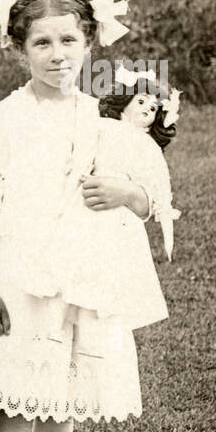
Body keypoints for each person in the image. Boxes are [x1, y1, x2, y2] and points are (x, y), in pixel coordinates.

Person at [0, 0, 155, 432]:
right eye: (41, 43)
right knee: (19, 388)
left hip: (81, 272)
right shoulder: (2, 121)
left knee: (64, 391)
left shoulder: (101, 118)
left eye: (68, 40)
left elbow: (150, 199)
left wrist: (122, 191)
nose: (57, 54)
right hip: (22, 276)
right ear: (20, 49)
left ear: (90, 43)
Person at [55, 67, 180, 327]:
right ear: (124, 101)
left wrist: (168, 235)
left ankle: (104, 320)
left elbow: (158, 188)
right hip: (86, 198)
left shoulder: (146, 145)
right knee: (76, 262)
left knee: (113, 271)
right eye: (141, 101)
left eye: (154, 109)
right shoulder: (101, 126)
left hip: (120, 217)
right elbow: (79, 152)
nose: (147, 109)